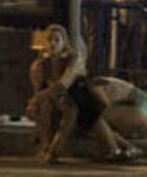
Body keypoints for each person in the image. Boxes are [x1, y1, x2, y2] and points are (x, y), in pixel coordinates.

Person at [26, 24, 131, 164]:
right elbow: (39, 91)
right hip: (62, 104)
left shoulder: (73, 59)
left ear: (64, 43)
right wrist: (36, 102)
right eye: (49, 40)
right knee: (46, 108)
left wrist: (35, 100)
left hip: (82, 102)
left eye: (57, 40)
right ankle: (47, 149)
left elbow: (63, 84)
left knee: (76, 113)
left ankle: (53, 152)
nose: (52, 44)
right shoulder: (40, 65)